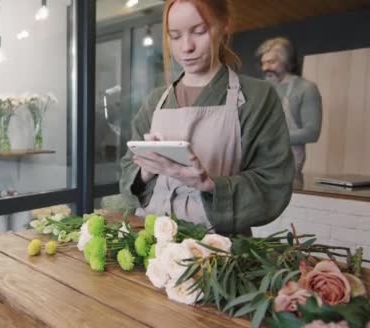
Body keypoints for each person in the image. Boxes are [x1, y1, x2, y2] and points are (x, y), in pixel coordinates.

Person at [119, 0, 295, 237]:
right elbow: (127, 171)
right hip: (152, 243)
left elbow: (274, 184)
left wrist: (210, 185)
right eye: (175, 35)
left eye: (199, 31)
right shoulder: (155, 101)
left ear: (224, 26)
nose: (186, 47)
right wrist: (145, 172)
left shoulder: (257, 97)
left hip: (220, 253)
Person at [257, 37, 323, 176]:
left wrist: (272, 137)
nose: (265, 68)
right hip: (258, 162)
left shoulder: (305, 88)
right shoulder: (263, 89)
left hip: (288, 164)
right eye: (263, 63)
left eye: (271, 62)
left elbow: (312, 133)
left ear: (286, 61)